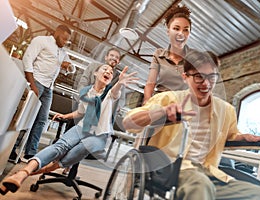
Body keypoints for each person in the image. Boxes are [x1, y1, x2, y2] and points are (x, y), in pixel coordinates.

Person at [122, 50, 260, 200]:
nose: (205, 83)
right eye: (198, 76)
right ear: (185, 77)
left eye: (212, 77)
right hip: (168, 168)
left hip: (209, 172)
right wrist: (162, 112)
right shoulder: (168, 99)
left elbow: (230, 136)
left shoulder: (226, 111)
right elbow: (128, 122)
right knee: (199, 185)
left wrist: (245, 138)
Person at [0, 64, 138, 195]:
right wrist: (65, 116)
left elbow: (116, 91)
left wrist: (119, 83)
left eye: (111, 72)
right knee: (60, 147)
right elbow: (80, 112)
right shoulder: (87, 92)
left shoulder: (110, 93)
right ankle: (22, 174)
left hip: (99, 135)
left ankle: (25, 173)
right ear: (95, 73)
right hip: (82, 127)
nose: (108, 72)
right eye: (105, 69)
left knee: (67, 159)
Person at [9, 25, 72, 161]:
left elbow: (71, 69)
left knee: (42, 120)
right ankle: (11, 149)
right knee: (26, 117)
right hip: (36, 81)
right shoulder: (41, 41)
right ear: (57, 33)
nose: (65, 42)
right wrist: (32, 84)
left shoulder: (62, 52)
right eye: (63, 38)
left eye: (67, 40)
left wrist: (68, 66)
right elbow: (27, 60)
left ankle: (30, 152)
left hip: (49, 88)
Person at [143, 5, 192, 105]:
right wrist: (147, 102)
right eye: (176, 28)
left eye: (186, 29)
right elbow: (150, 83)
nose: (181, 33)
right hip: (160, 104)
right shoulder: (158, 54)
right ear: (168, 32)